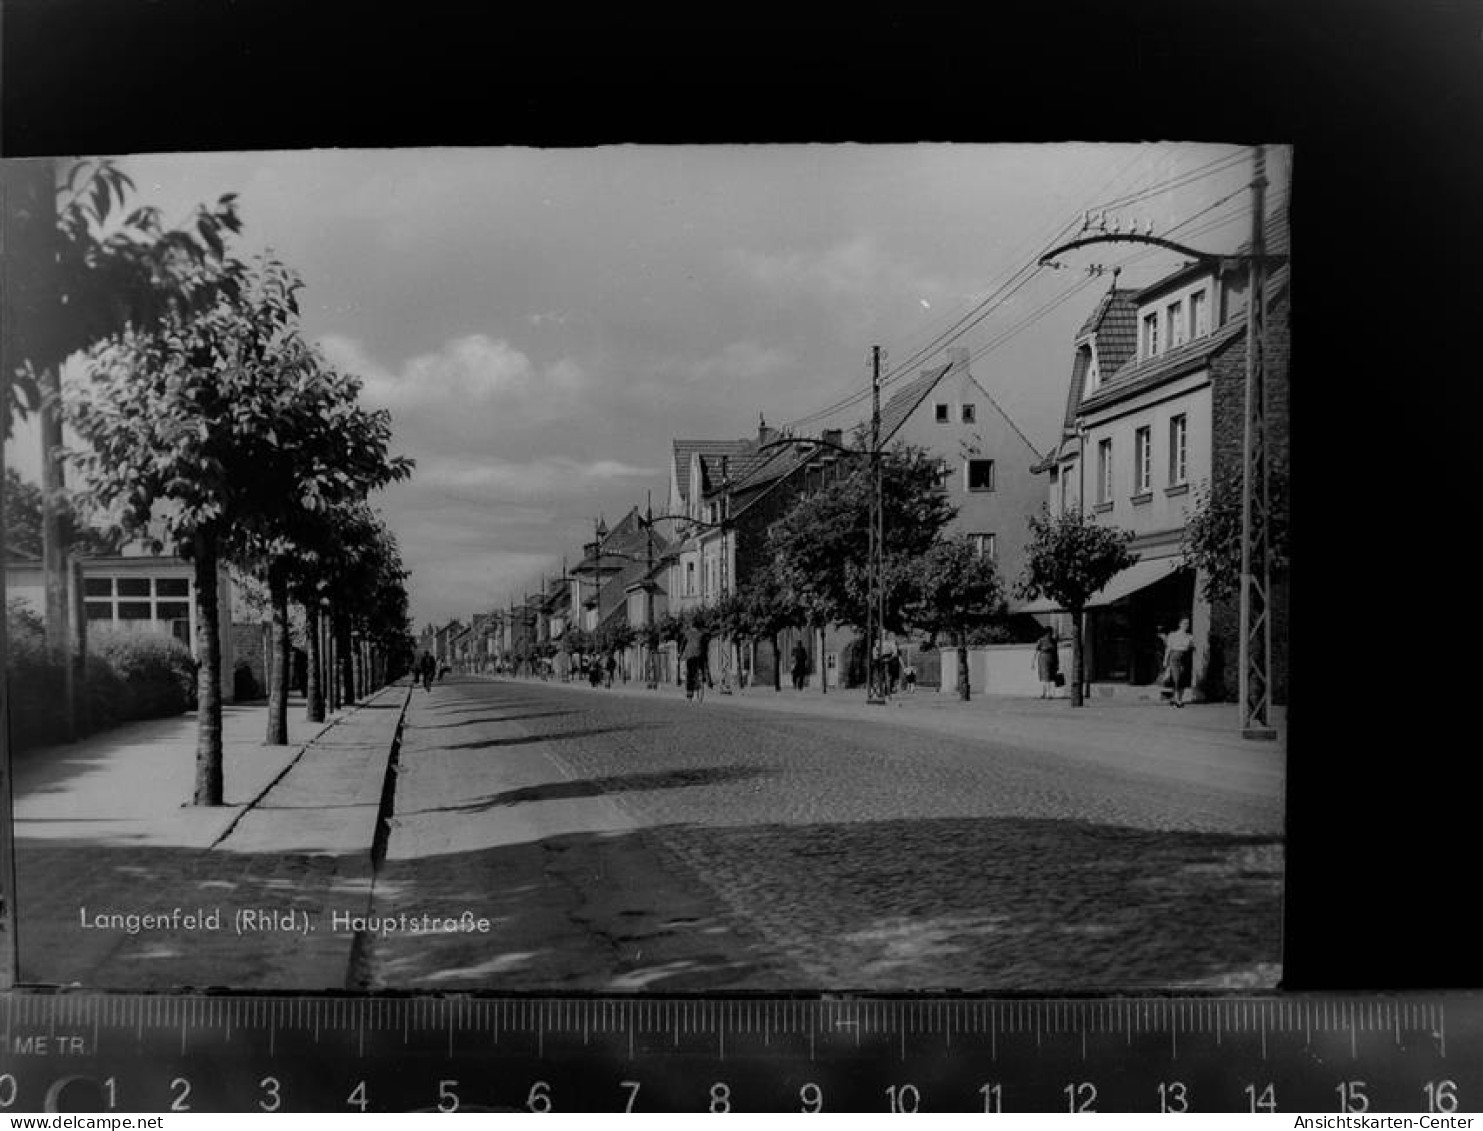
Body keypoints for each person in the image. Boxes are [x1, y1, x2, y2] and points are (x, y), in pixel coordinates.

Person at [1161, 616, 1196, 708]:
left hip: (1184, 657)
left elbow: (1191, 647)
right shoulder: (1173, 635)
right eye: (1184, 623)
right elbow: (1169, 648)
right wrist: (1165, 660)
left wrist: (1192, 647)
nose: (1186, 625)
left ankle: (1178, 698)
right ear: (1180, 624)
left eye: (1188, 623)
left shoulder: (1190, 636)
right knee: (1176, 678)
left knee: (1183, 678)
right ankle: (1177, 700)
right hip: (1174, 657)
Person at [683, 623, 708, 702]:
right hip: (699, 655)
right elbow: (705, 646)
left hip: (689, 656)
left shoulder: (687, 633)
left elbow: (683, 644)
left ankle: (689, 694)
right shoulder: (702, 634)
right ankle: (703, 678)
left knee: (690, 674)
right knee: (702, 667)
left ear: (692, 627)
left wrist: (680, 653)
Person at [1033, 628, 1060, 698]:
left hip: (1052, 659)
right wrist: (1033, 662)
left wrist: (1057, 663)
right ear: (1046, 633)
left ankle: (1045, 693)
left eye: (1051, 633)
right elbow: (1036, 651)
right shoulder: (1041, 640)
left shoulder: (1054, 641)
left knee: (1050, 677)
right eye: (1049, 633)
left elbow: (1056, 652)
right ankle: (1047, 693)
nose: (1050, 634)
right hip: (1043, 659)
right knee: (1045, 676)